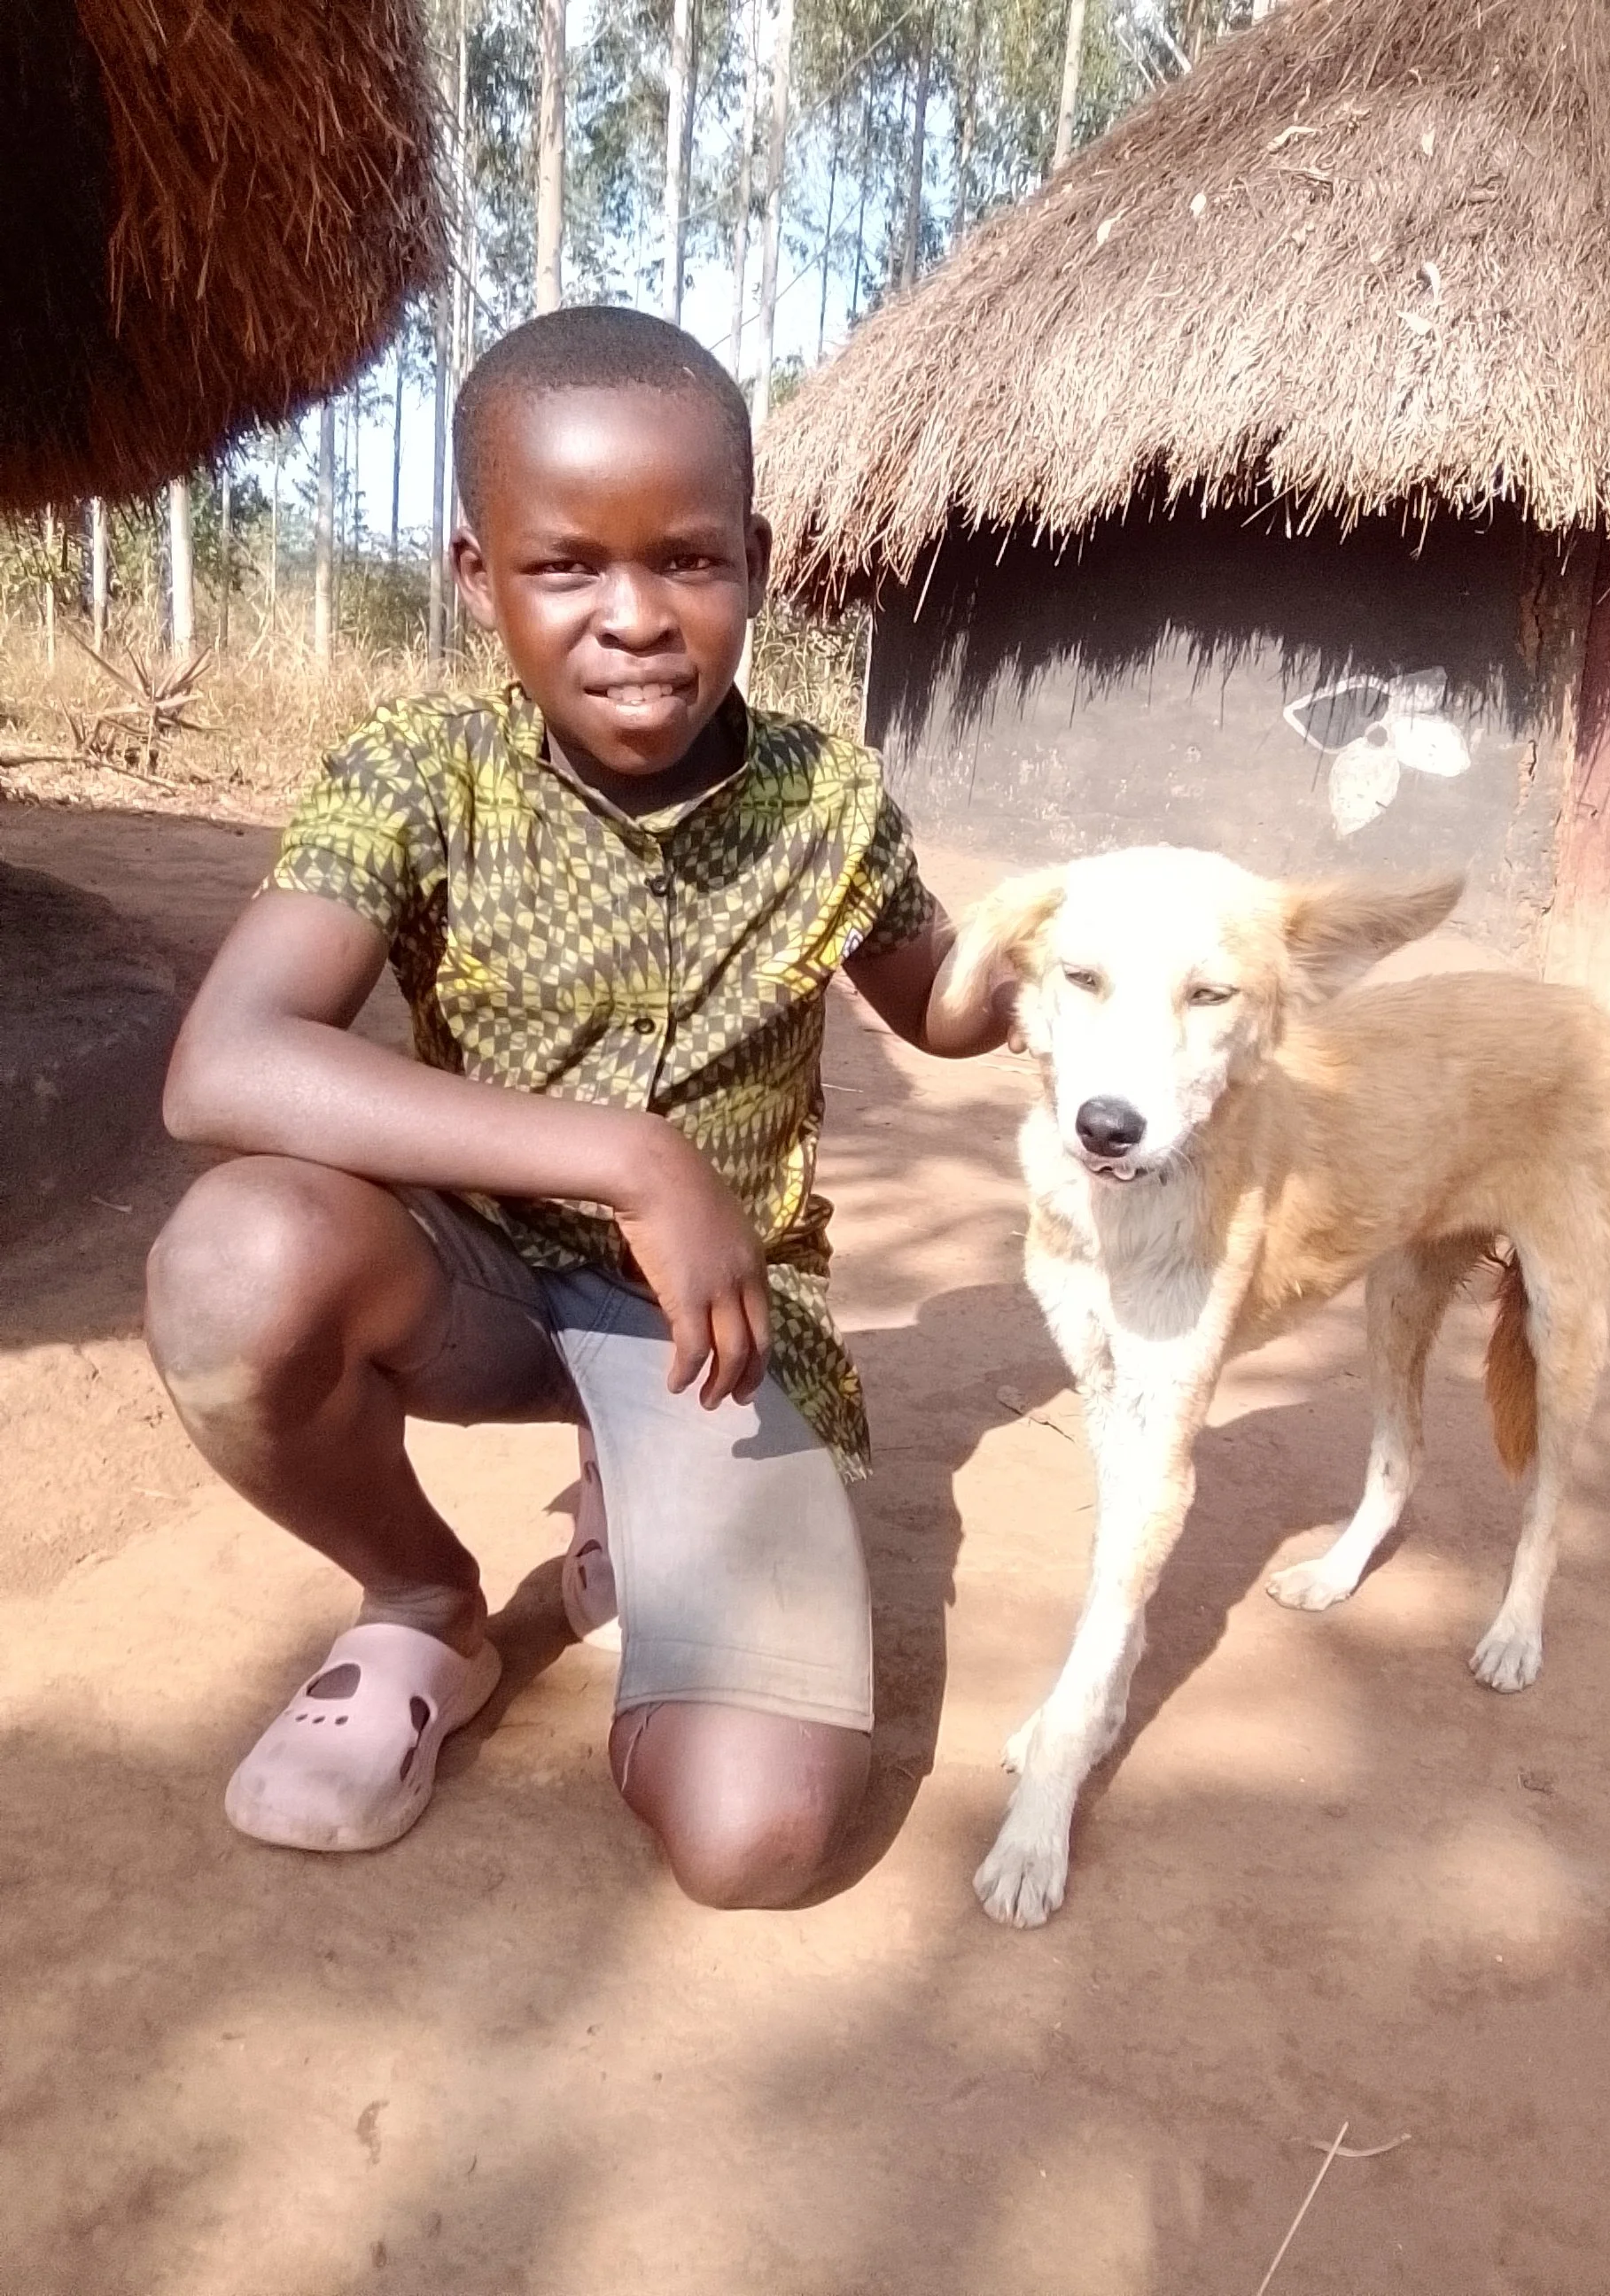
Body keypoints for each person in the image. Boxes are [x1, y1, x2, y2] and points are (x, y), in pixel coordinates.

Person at [144, 306, 1012, 1911]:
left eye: (688, 561)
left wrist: (1087, 962)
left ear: (754, 561)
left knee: (755, 1841)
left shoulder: (827, 803)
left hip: (712, 1329)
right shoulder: (421, 772)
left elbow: (941, 1010)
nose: (635, 618)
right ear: (480, 577)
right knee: (236, 1259)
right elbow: (228, 1065)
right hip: (467, 1285)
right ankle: (424, 1605)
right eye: (565, 568)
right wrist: (628, 1157)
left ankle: (656, 1515)